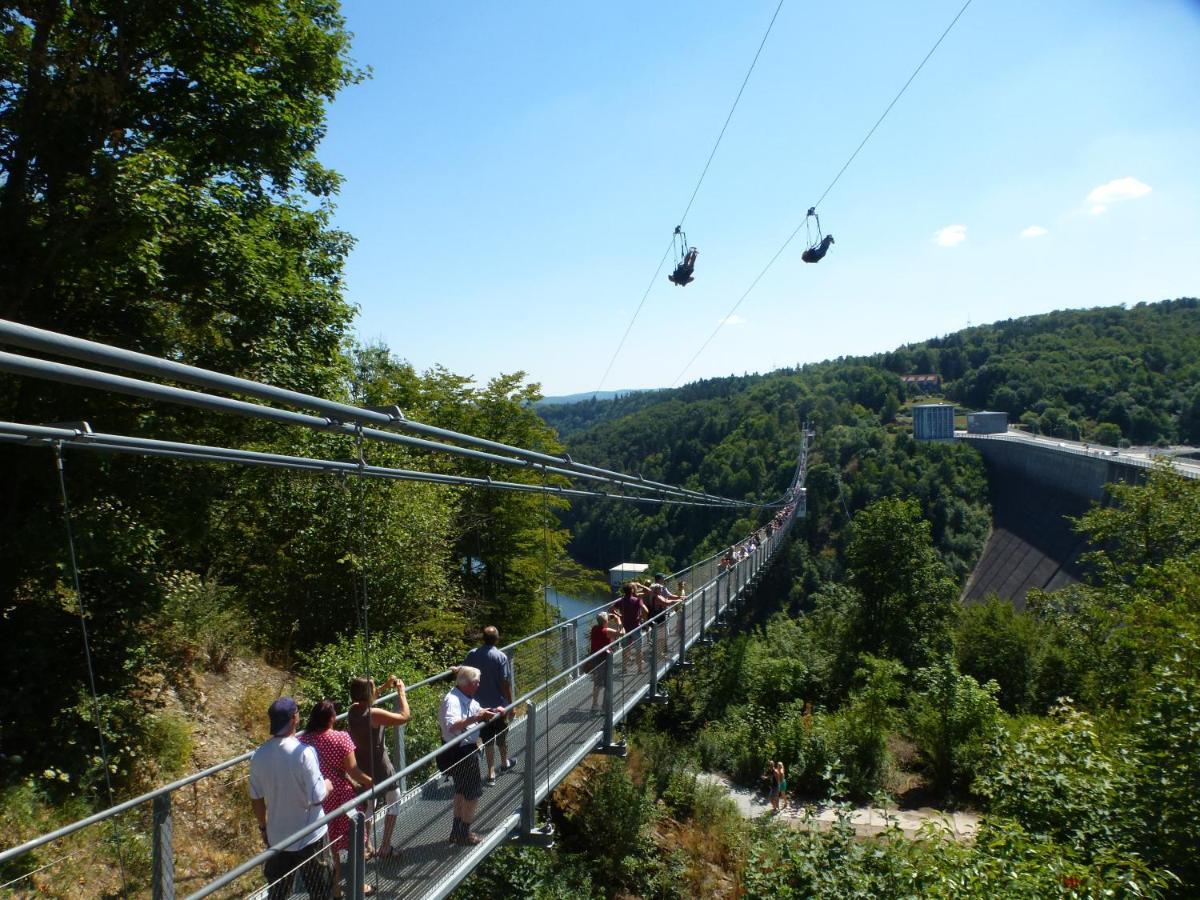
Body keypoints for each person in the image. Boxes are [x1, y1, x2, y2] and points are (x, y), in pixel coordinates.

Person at [248, 697, 333, 900]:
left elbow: (256, 798)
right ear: (295, 718)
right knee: (321, 890)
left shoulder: (258, 756)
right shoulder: (304, 753)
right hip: (311, 835)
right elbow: (317, 796)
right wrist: (328, 785)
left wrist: (263, 827)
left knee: (278, 893)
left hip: (278, 837)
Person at [299, 700, 374, 896]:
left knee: (331, 842)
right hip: (342, 795)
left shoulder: (304, 741)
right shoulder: (341, 738)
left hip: (321, 796)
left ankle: (335, 887)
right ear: (332, 718)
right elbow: (353, 771)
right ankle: (357, 885)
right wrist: (369, 782)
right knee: (354, 840)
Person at [438, 666, 503, 846]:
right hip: (461, 752)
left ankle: (456, 832)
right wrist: (477, 718)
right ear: (468, 683)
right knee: (472, 795)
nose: (479, 684)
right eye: (476, 682)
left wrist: (493, 711)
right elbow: (452, 725)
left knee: (461, 791)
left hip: (461, 750)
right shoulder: (453, 700)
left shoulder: (464, 697)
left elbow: (477, 711)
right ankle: (464, 833)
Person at [348, 675, 411, 858]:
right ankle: (385, 846)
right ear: (368, 694)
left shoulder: (352, 710)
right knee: (394, 800)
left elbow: (369, 696)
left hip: (362, 764)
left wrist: (384, 686)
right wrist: (401, 693)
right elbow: (404, 716)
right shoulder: (373, 714)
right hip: (380, 765)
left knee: (369, 805)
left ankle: (367, 845)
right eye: (374, 688)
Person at [463, 626, 516, 784]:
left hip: (480, 707)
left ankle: (491, 773)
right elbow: (505, 683)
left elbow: (463, 672)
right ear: (497, 639)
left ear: (483, 638)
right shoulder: (501, 657)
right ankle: (505, 762)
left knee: (487, 739)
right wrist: (511, 705)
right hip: (499, 706)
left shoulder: (473, 654)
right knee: (501, 735)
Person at [586, 611, 624, 710]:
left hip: (594, 657)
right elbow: (622, 633)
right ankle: (605, 707)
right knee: (607, 682)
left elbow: (602, 624)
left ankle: (595, 704)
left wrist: (609, 617)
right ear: (606, 621)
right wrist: (619, 620)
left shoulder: (594, 629)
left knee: (597, 682)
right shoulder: (606, 630)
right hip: (604, 659)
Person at [612, 582, 649, 672]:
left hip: (625, 628)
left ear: (624, 591)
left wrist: (619, 615)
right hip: (636, 627)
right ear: (632, 590)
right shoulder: (637, 600)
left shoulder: (621, 601)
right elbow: (646, 610)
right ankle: (640, 669)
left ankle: (624, 668)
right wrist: (640, 617)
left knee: (625, 649)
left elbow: (610, 609)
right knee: (638, 649)